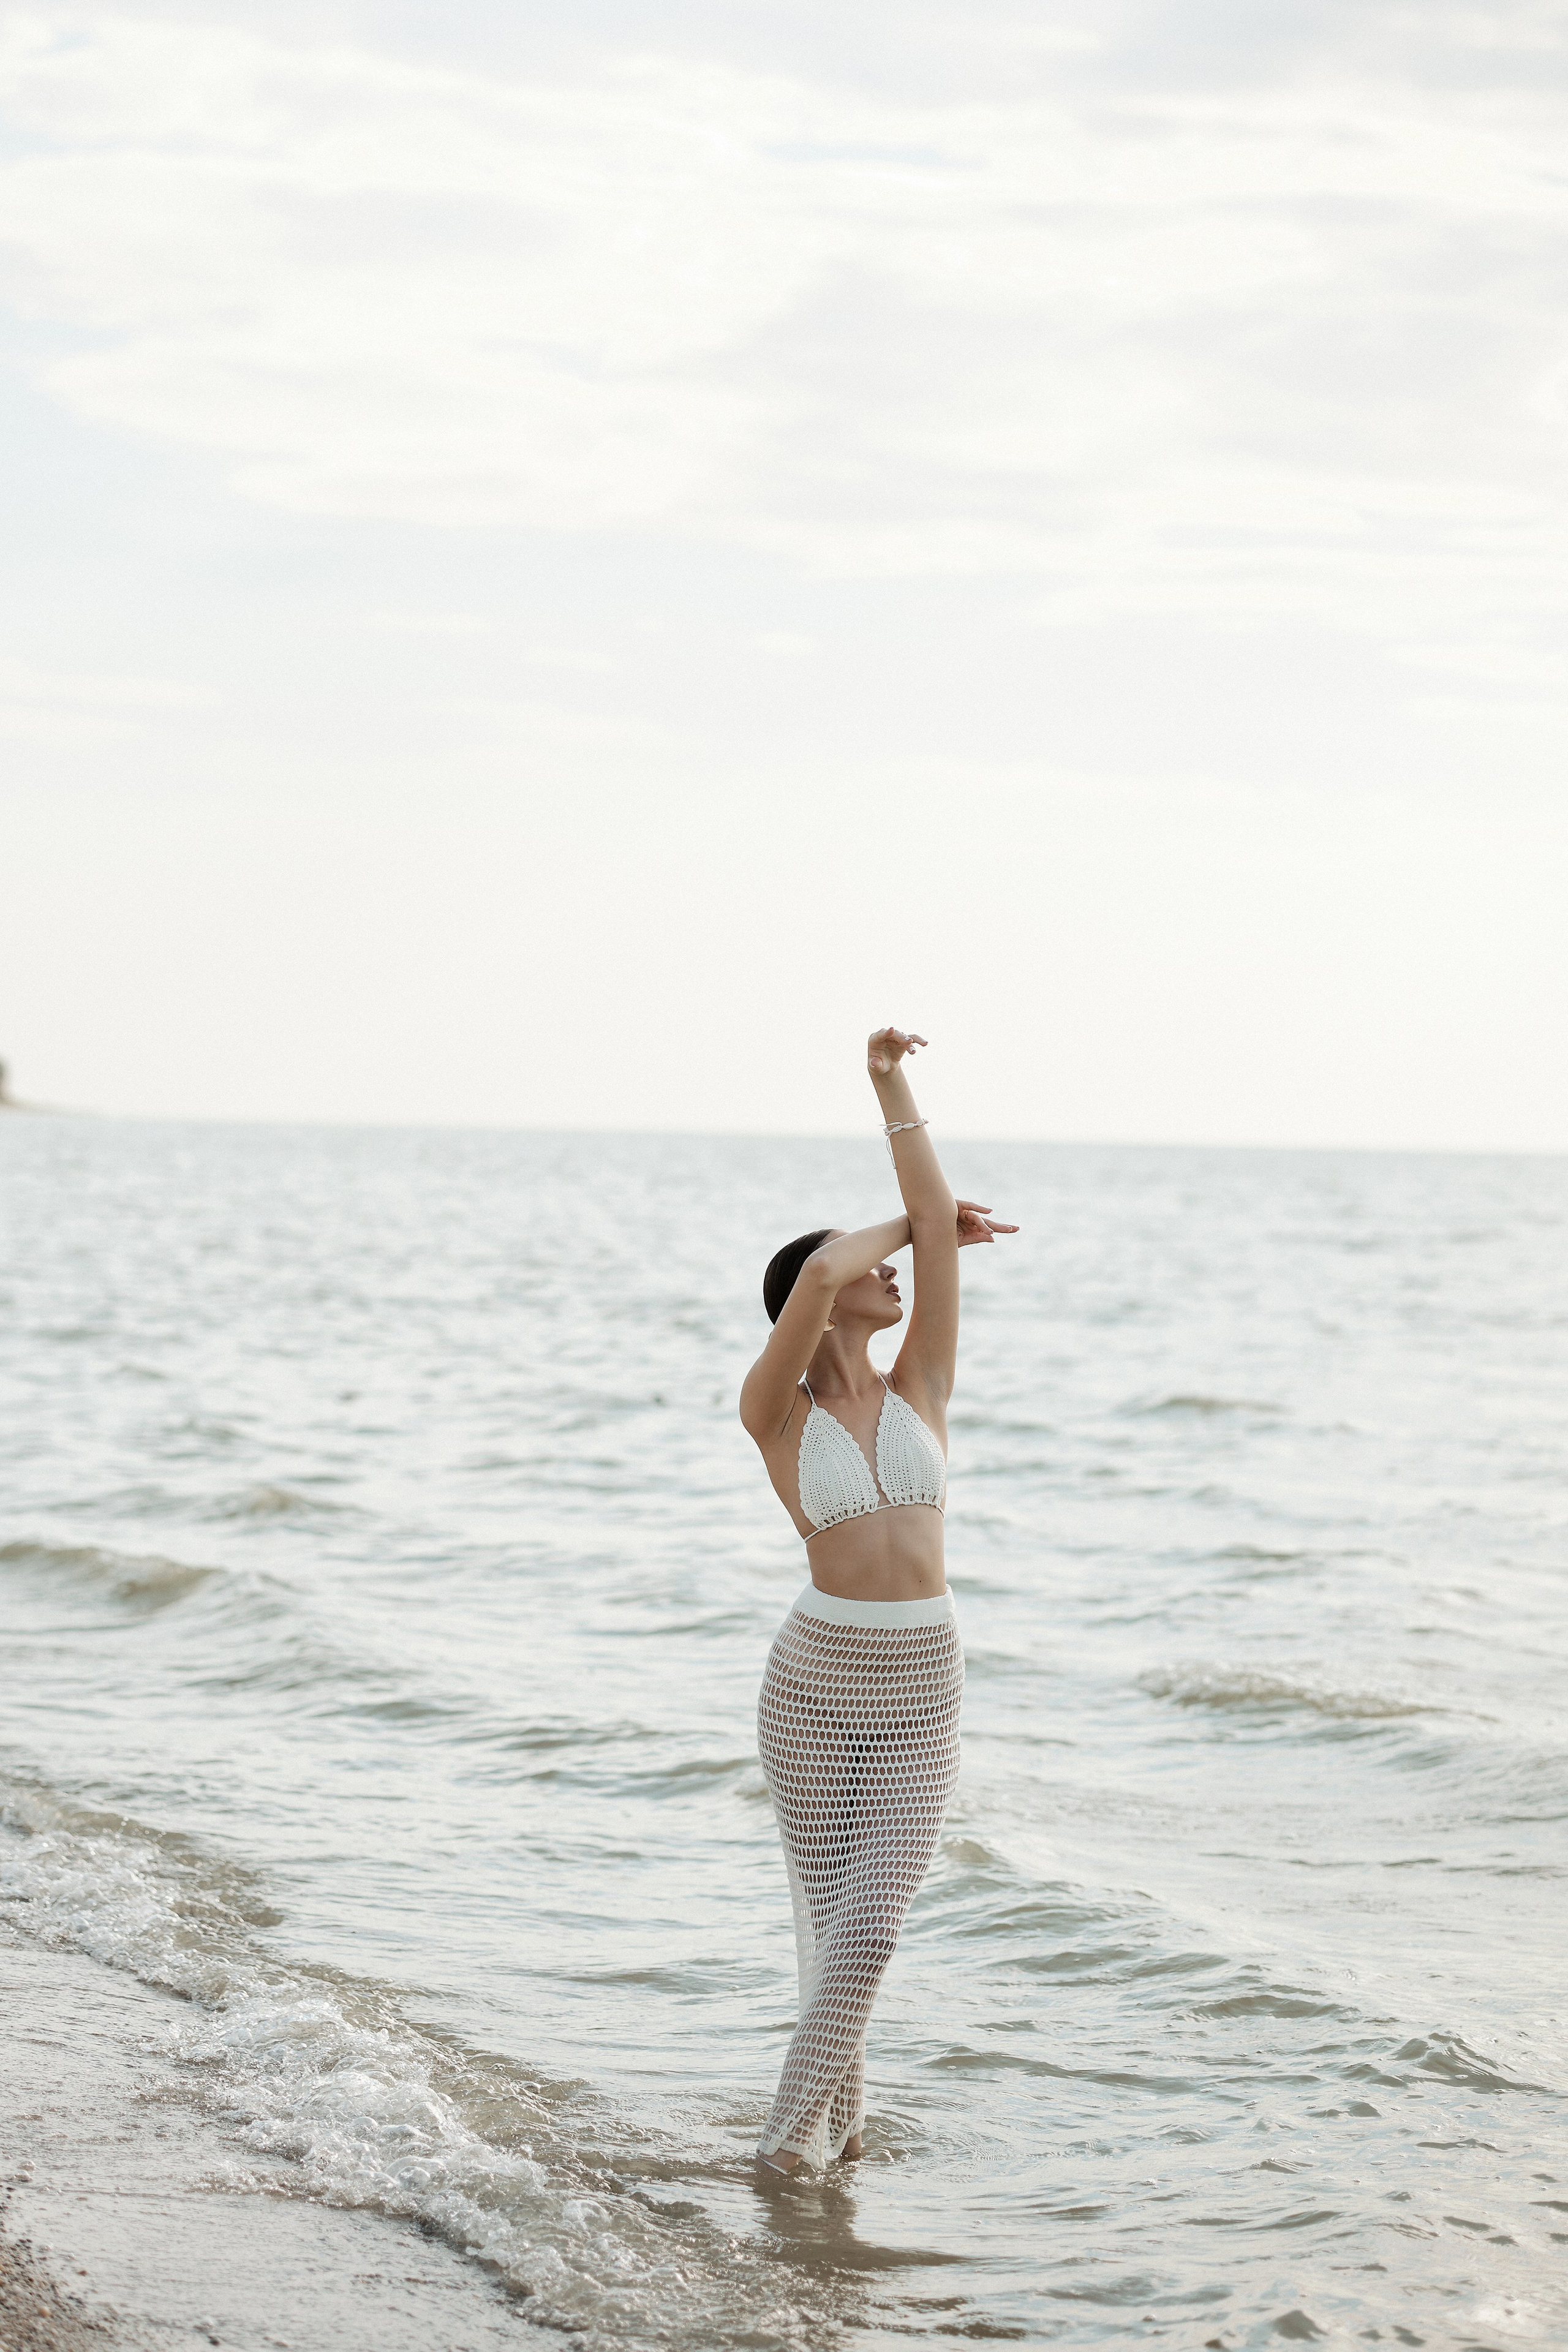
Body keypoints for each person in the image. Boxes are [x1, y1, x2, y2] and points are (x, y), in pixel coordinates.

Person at [739, 1025, 1017, 2174]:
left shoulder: (922, 1384)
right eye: (875, 1265)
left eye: (897, 1263)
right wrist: (914, 1223)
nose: (895, 1276)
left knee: (872, 1928)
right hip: (815, 1686)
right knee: (834, 1938)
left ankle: (782, 2155)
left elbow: (929, 1235)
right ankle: (826, 2159)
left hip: (922, 1684)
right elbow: (820, 1273)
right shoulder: (774, 1411)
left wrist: (890, 1080)